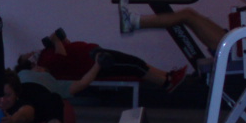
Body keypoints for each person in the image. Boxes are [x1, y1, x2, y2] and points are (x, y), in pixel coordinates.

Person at [15, 52, 102, 123]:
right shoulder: (21, 73)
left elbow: (83, 83)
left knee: (55, 98)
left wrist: (98, 64)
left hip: (42, 102)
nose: (38, 67)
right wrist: (35, 53)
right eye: (36, 66)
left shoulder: (54, 82)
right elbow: (22, 59)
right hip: (21, 96)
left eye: (42, 68)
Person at [34, 29, 186, 92]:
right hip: (95, 64)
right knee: (133, 67)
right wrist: (56, 40)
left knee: (135, 61)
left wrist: (61, 40)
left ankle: (168, 75)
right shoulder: (47, 63)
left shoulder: (45, 53)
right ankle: (166, 83)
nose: (29, 53)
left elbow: (68, 49)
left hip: (94, 51)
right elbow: (62, 57)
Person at [119, 3, 227, 54]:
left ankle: (133, 22)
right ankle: (134, 22)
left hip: (232, 48)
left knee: (187, 15)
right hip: (233, 41)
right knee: (188, 14)